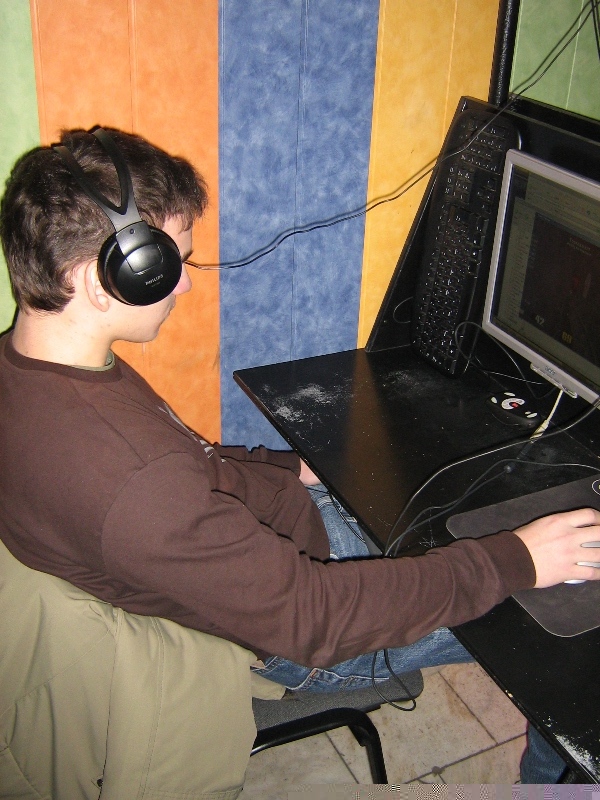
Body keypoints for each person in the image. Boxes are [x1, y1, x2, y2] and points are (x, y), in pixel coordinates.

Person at [1, 127, 598, 784]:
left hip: (268, 554)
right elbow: (317, 618)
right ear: (102, 280)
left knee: (464, 493)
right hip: (308, 630)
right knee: (573, 620)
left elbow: (186, 460)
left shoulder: (36, 372)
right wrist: (519, 560)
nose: (186, 287)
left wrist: (291, 469)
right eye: (172, 267)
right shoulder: (129, 482)